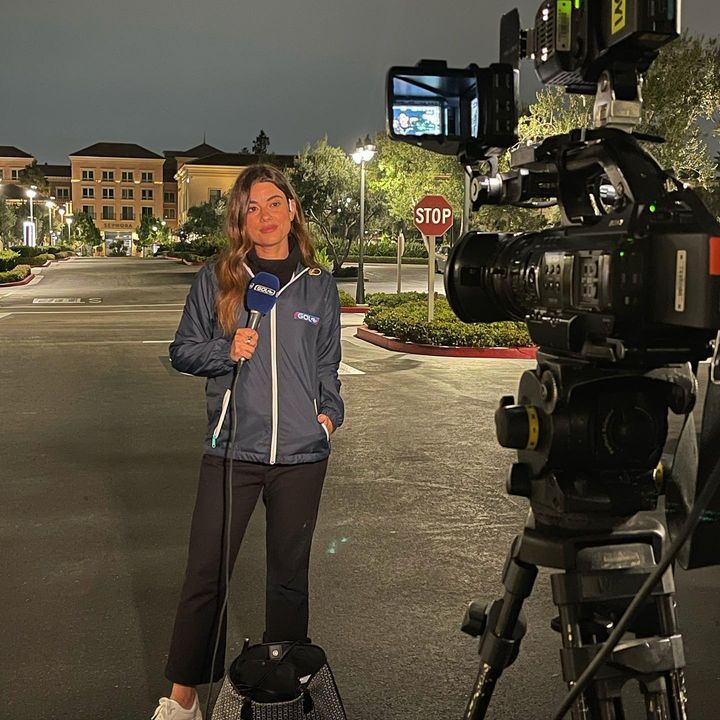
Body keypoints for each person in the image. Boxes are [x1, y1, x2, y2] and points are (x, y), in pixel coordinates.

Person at [152, 164, 344, 720]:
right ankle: (182, 699)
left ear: (292, 209)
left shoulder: (318, 285)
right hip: (232, 449)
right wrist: (225, 349)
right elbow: (182, 350)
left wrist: (328, 416)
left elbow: (327, 363)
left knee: (288, 576)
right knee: (205, 574)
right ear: (240, 218)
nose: (265, 216)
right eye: (252, 208)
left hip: (302, 456)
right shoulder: (218, 280)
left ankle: (282, 695)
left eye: (274, 203)